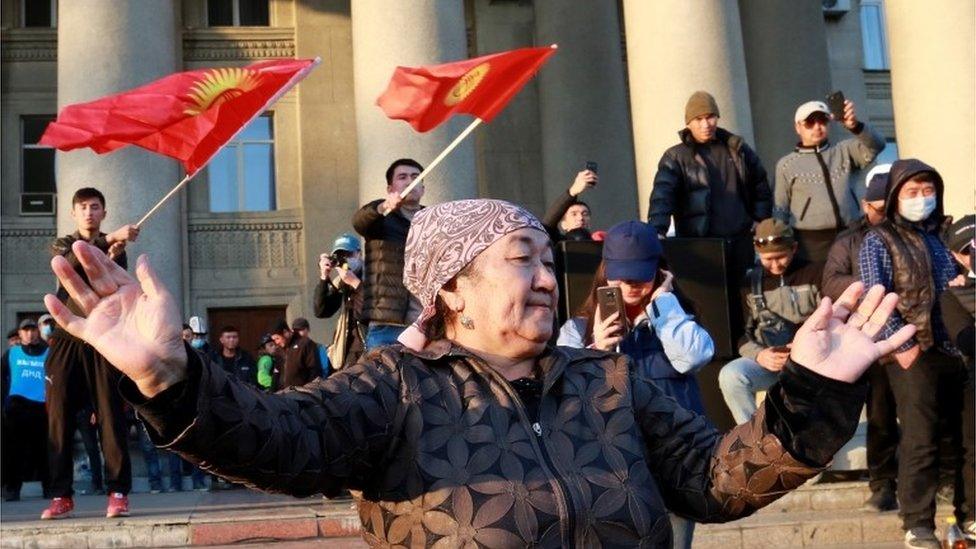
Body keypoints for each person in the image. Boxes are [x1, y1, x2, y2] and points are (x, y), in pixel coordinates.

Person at [42, 198, 916, 547]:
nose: (547, 275)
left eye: (549, 257)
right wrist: (171, 377)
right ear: (452, 287)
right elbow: (274, 438)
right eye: (521, 257)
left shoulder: (608, 380)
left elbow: (714, 479)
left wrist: (814, 390)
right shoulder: (394, 388)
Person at [557, 220, 715, 548]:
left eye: (640, 275)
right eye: (621, 275)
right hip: (607, 470)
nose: (630, 285)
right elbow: (561, 391)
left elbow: (693, 357)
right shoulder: (578, 329)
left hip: (673, 467)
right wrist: (596, 350)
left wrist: (665, 305)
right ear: (605, 272)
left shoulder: (676, 319)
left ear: (659, 272)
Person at [858, 159, 964, 549]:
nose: (923, 199)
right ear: (894, 198)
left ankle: (964, 516)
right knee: (919, 436)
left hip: (951, 346)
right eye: (912, 192)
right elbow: (875, 295)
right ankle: (917, 522)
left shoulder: (941, 236)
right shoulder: (879, 239)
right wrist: (899, 345)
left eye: (928, 190)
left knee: (961, 435)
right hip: (910, 349)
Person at [43, 187, 135, 520]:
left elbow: (111, 283)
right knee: (58, 418)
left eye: (95, 207)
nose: (88, 213)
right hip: (67, 339)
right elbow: (70, 264)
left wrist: (114, 252)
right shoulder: (62, 244)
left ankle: (118, 492)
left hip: (103, 341)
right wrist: (108, 240)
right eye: (82, 207)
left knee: (111, 416)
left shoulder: (114, 247)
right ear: (74, 213)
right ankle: (60, 496)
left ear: (103, 212)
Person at [822, 163, 899, 511]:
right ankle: (883, 483)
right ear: (867, 206)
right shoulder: (849, 240)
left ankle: (941, 476)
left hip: (915, 334)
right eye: (879, 209)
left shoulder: (911, 233)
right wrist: (871, 281)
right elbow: (831, 282)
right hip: (873, 337)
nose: (884, 215)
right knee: (880, 413)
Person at [718, 219, 824, 424]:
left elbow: (831, 323)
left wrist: (805, 347)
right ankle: (754, 436)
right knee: (731, 376)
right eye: (768, 259)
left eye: (781, 257)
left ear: (794, 248)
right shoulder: (749, 282)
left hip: (809, 362)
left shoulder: (815, 273)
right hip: (770, 360)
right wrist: (760, 355)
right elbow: (741, 335)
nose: (775, 265)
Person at [774, 99, 885, 263]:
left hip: (850, 231)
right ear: (798, 127)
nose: (817, 127)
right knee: (819, 285)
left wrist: (854, 126)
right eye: (810, 122)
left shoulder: (844, 150)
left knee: (856, 283)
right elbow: (780, 207)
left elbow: (877, 145)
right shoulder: (787, 164)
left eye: (823, 121)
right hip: (810, 240)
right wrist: (780, 242)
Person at [353, 158, 425, 350]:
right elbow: (360, 221)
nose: (410, 182)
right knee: (383, 379)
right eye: (402, 177)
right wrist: (383, 207)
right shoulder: (382, 220)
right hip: (388, 325)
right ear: (390, 188)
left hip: (425, 324)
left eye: (416, 177)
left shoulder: (432, 219)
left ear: (423, 188)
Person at [940, 214, 975, 542]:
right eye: (966, 250)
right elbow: (966, 340)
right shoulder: (953, 294)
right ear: (955, 257)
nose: (973, 254)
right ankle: (973, 516)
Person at [1, 319, 49, 501]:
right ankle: (13, 489)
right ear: (19, 334)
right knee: (15, 453)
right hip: (17, 408)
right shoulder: (11, 354)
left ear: (37, 332)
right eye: (25, 330)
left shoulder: (48, 353)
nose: (30, 334)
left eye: (32, 330)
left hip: (42, 408)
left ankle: (49, 488)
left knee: (44, 452)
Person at [313, 233, 366, 371]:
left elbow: (374, 309)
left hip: (370, 346)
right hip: (346, 351)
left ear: (359, 254)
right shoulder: (340, 282)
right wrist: (324, 277)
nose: (345, 260)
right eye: (340, 256)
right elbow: (321, 311)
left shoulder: (371, 274)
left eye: (348, 255)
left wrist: (355, 283)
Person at [541, 168, 598, 242]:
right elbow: (547, 224)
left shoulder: (602, 244)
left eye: (585, 214)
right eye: (574, 214)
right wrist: (573, 191)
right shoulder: (558, 242)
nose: (581, 218)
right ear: (564, 225)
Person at [269, 319, 322, 390]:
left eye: (277, 338)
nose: (276, 342)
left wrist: (309, 391)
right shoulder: (280, 350)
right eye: (274, 340)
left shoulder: (305, 344)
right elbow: (276, 374)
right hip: (283, 396)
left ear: (285, 332)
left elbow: (314, 371)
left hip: (301, 395)